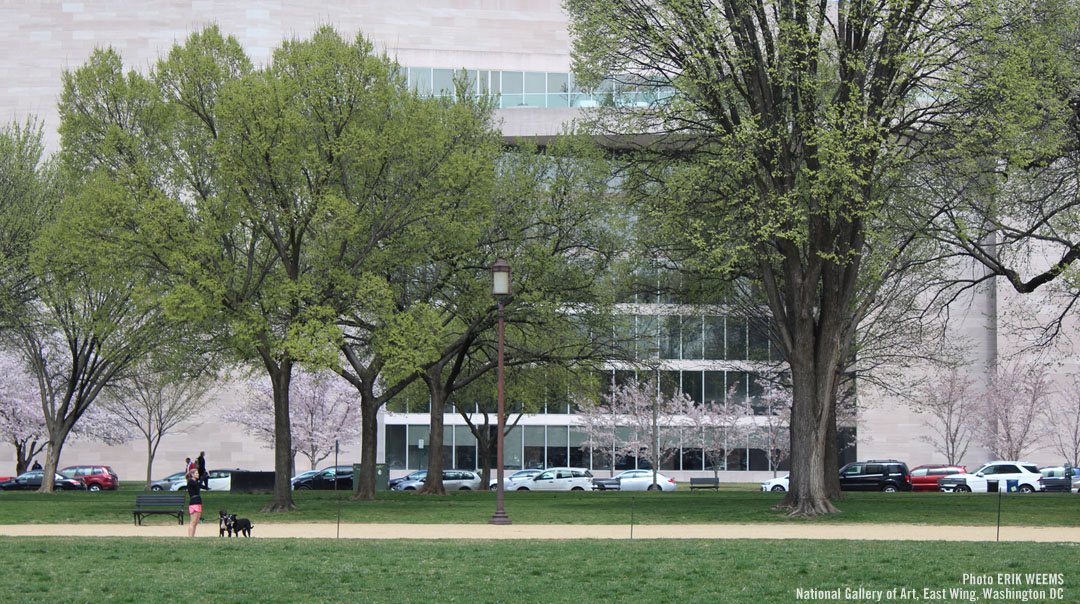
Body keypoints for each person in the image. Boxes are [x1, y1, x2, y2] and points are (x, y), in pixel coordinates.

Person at [186, 469, 202, 537]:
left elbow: (201, 485)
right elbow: (199, 483)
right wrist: (203, 475)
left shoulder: (195, 482)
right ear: (192, 474)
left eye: (198, 473)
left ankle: (193, 536)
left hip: (198, 502)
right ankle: (190, 537)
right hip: (194, 503)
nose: (198, 474)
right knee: (193, 522)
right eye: (196, 473)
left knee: (196, 522)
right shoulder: (191, 481)